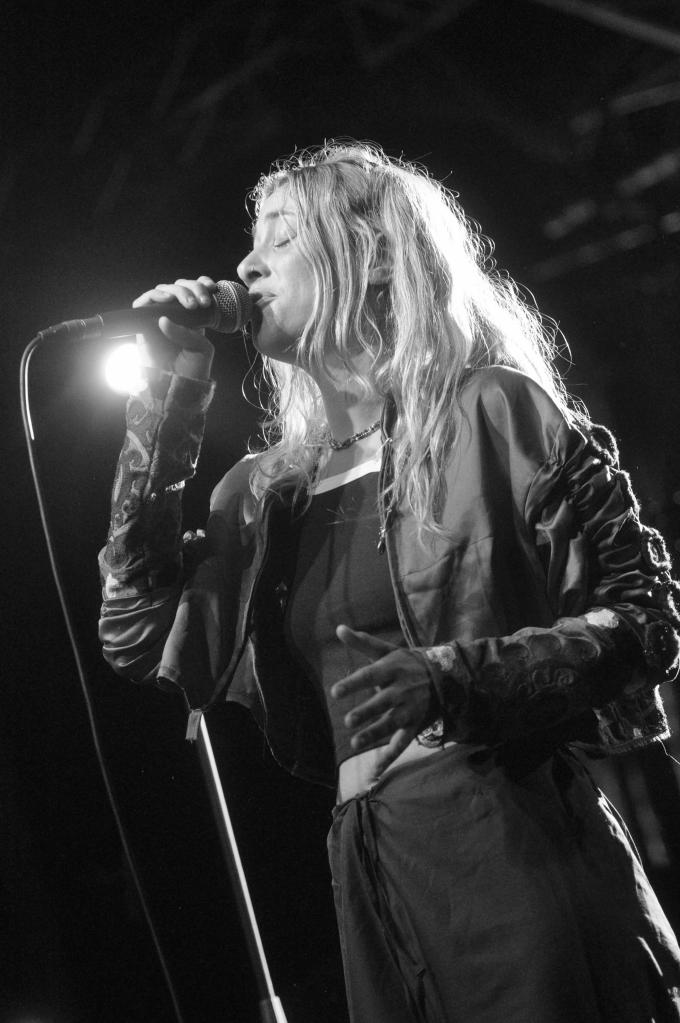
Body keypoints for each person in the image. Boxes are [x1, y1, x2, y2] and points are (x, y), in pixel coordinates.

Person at [99, 141, 680, 1022]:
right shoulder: (261, 493)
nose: (247, 265)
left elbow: (647, 624)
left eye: (282, 237)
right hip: (367, 853)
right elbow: (134, 635)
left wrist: (455, 677)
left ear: (371, 259)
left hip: (506, 832)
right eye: (250, 242)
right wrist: (174, 393)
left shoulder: (492, 409)